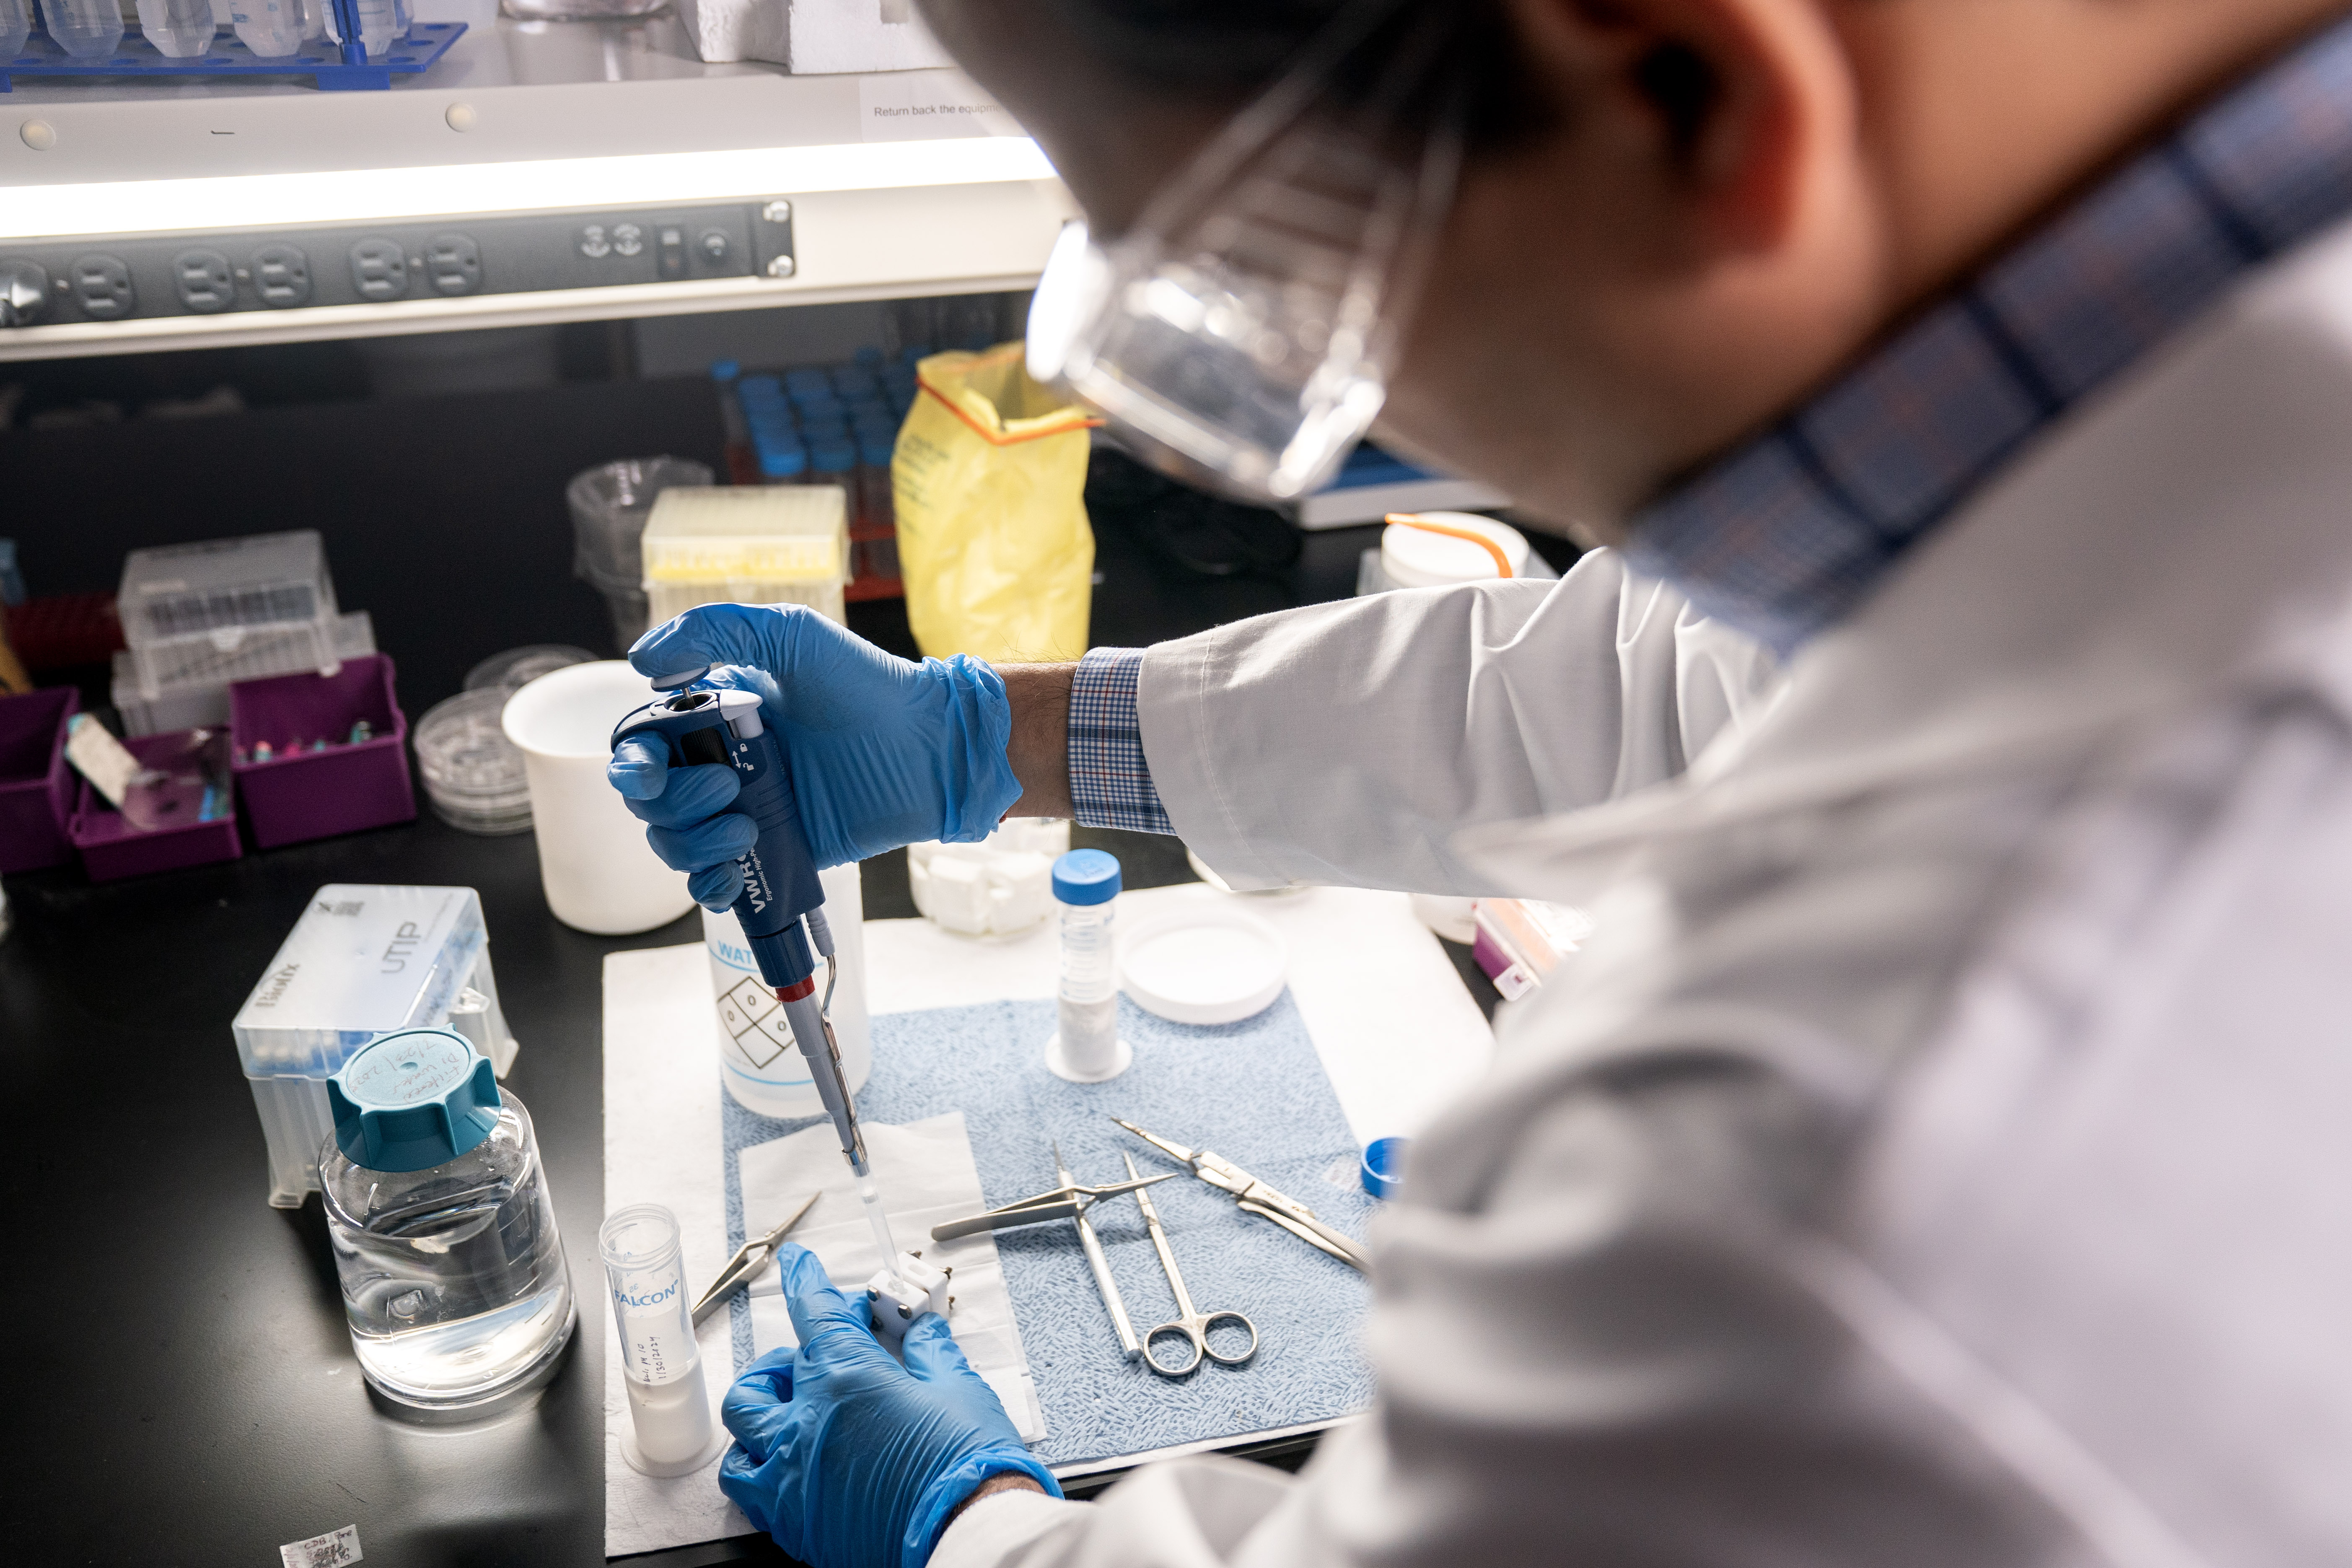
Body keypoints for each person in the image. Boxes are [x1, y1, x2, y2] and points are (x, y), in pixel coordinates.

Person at [610, 0, 2352, 1561]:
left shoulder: (1830, 1177)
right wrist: (984, 740)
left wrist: (969, 1526)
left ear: (1675, 79)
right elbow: (1641, 677)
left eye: (1243, 284)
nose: (1271, 376)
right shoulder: (2132, 389)